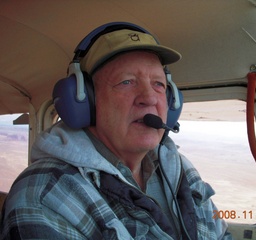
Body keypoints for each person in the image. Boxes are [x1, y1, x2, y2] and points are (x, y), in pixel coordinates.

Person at [0, 22, 233, 239]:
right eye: (126, 82)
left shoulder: (179, 167)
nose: (149, 98)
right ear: (84, 100)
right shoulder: (44, 195)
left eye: (158, 84)